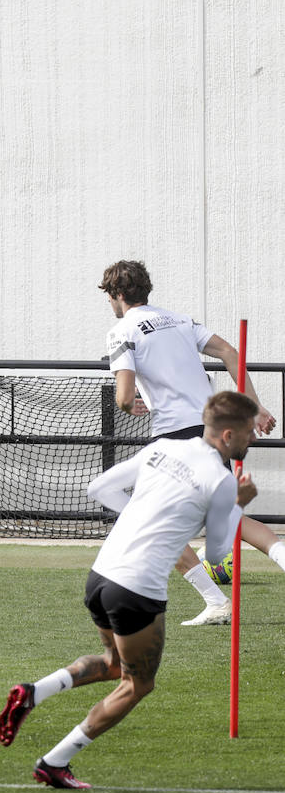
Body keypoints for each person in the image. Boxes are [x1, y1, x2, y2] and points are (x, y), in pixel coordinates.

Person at [0, 391, 259, 789]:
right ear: (227, 435)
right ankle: (54, 762)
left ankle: (32, 693)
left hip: (101, 575)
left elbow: (99, 488)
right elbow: (219, 553)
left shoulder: (163, 447)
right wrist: (239, 502)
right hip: (137, 590)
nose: (253, 438)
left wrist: (144, 516)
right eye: (250, 431)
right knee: (138, 683)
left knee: (115, 663)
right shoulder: (221, 480)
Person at [100, 259, 281, 626]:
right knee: (231, 517)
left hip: (174, 436)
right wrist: (254, 406)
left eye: (109, 297)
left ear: (117, 294)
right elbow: (231, 352)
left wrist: (130, 403)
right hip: (213, 430)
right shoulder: (180, 320)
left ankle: (216, 602)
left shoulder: (121, 331)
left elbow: (122, 397)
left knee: (141, 515)